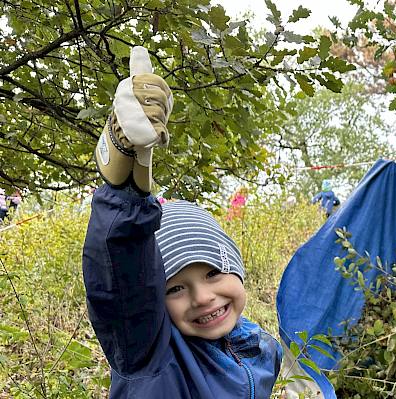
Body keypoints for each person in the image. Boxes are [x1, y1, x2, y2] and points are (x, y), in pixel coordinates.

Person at [82, 46, 282, 398]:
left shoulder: (258, 344)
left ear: (235, 268)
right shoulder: (149, 355)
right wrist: (125, 178)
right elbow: (122, 278)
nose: (203, 297)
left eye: (212, 273)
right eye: (174, 288)